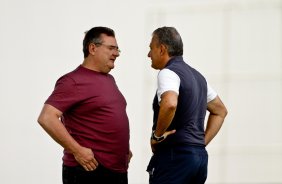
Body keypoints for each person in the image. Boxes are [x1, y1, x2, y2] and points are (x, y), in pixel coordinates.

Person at [37, 26, 132, 184]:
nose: (116, 53)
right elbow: (47, 117)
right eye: (111, 48)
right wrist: (77, 150)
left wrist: (122, 150)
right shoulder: (72, 81)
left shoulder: (109, 80)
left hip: (116, 169)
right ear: (93, 48)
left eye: (117, 49)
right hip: (88, 170)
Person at [146, 26, 228, 184]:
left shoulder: (168, 72)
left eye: (151, 48)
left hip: (175, 157)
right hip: (198, 160)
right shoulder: (199, 78)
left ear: (162, 49)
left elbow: (170, 103)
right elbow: (220, 111)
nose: (149, 54)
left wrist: (157, 136)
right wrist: (200, 143)